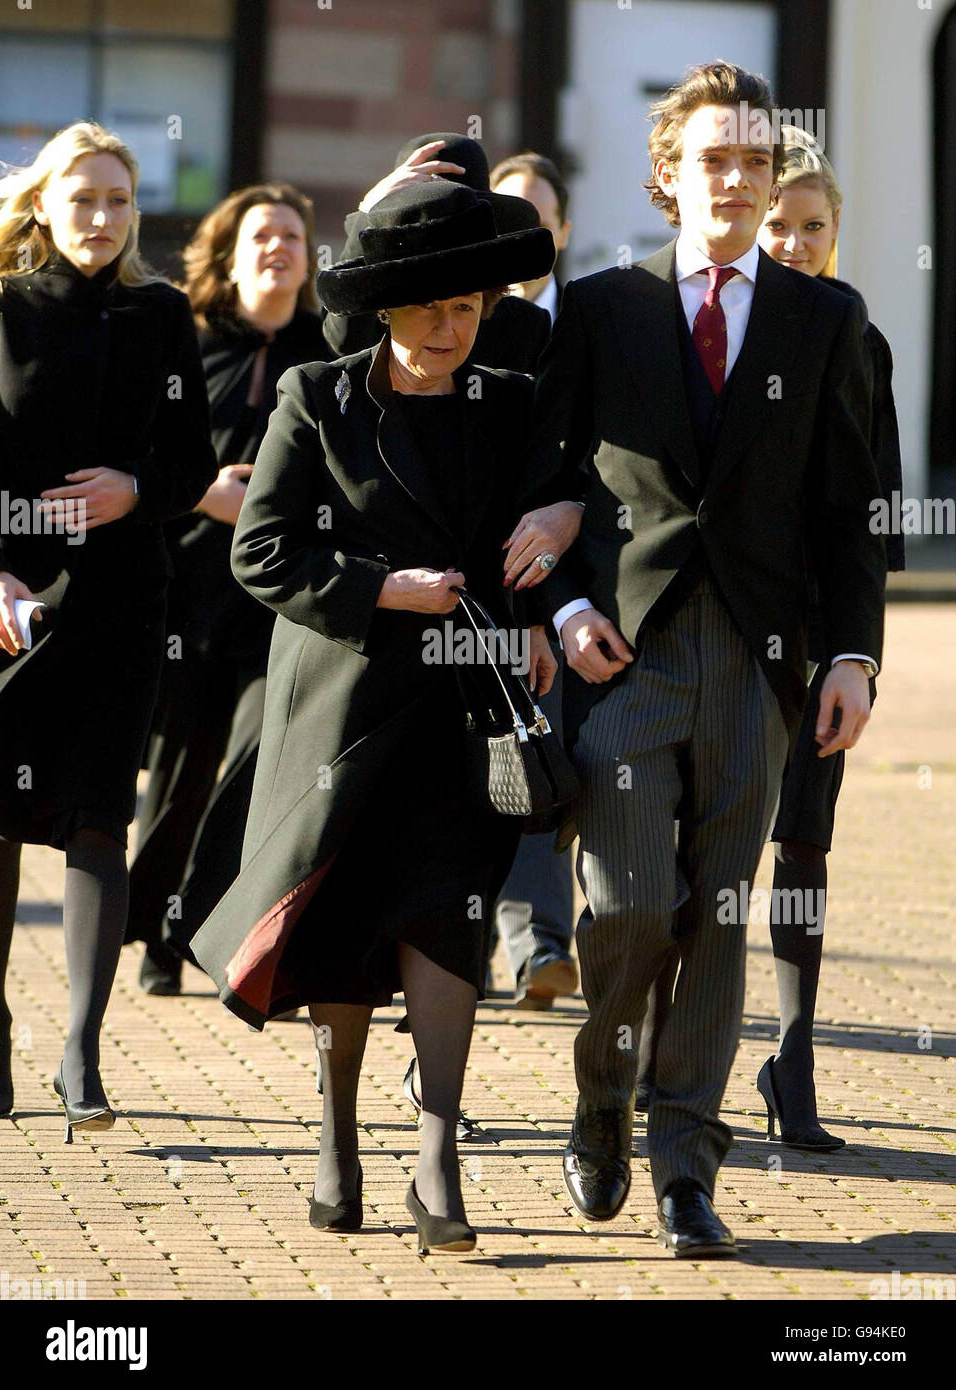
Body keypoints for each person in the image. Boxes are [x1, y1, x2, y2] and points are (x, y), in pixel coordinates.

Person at [523, 62, 886, 1257]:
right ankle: (599, 1106)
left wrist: (852, 657)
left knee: (719, 915)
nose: (737, 179)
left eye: (756, 160)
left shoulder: (826, 319)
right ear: (668, 173)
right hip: (625, 654)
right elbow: (548, 490)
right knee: (627, 907)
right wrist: (569, 613)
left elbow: (849, 513)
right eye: (714, 158)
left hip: (761, 663)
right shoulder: (601, 308)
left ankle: (687, 1161)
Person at [190, 179, 562, 1253]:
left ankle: (437, 1161)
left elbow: (552, 521)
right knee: (345, 935)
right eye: (433, 308)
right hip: (344, 716)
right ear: (389, 306)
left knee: (447, 920)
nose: (455, 329)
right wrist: (382, 588)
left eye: (471, 308)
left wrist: (542, 597)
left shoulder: (509, 400)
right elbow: (260, 552)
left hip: (466, 712)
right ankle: (338, 1134)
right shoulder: (319, 394)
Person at [636, 128, 906, 1145]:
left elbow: (869, 512)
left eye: (813, 226)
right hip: (710, 632)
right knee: (694, 852)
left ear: (837, 233)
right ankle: (665, 1059)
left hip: (811, 637)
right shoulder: (683, 317)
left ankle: (792, 1063)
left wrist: (858, 651)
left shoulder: (852, 336)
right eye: (780, 224)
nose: (793, 242)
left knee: (802, 845)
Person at [0, 122, 216, 1135]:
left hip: (127, 599)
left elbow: (190, 465)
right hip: (9, 602)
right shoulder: (2, 308)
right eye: (83, 198)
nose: (101, 218)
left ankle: (80, 1051)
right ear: (43, 203)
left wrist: (138, 490)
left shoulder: (162, 312)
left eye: (119, 201)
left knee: (98, 819)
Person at [125, 183, 330, 996]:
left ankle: (200, 920)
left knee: (254, 763)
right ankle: (152, 931)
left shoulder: (323, 347)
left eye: (292, 236)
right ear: (231, 252)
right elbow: (143, 454)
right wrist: (203, 493)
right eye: (262, 237)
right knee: (179, 772)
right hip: (188, 597)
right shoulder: (189, 339)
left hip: (281, 605)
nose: (278, 248)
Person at [485, 152, 578, 1009]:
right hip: (482, 591)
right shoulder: (457, 326)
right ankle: (524, 946)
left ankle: (541, 944)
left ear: (564, 231)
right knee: (509, 760)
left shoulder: (594, 325)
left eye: (536, 217)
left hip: (586, 594)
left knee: (550, 764)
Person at [322, 133, 551, 373]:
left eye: (463, 307)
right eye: (426, 304)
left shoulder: (526, 325)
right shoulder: (389, 302)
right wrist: (369, 213)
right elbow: (345, 338)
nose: (445, 327)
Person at [490, 151, 572, 323]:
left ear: (564, 234)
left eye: (540, 229)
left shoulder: (590, 322)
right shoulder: (459, 325)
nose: (524, 240)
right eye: (510, 225)